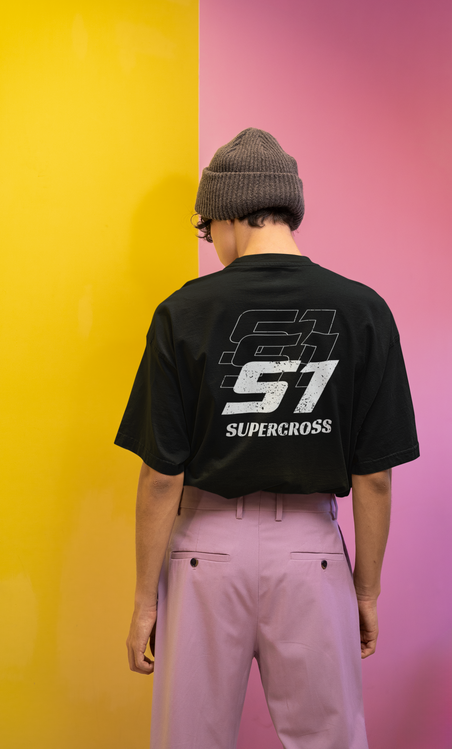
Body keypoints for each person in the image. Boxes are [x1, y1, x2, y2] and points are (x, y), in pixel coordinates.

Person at [114, 127, 419, 749]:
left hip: (203, 552)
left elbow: (161, 477)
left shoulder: (183, 311)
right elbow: (375, 478)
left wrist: (145, 601)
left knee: (188, 740)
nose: (212, 245)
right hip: (312, 555)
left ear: (228, 213)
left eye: (207, 230)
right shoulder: (363, 311)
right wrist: (365, 591)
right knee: (331, 740)